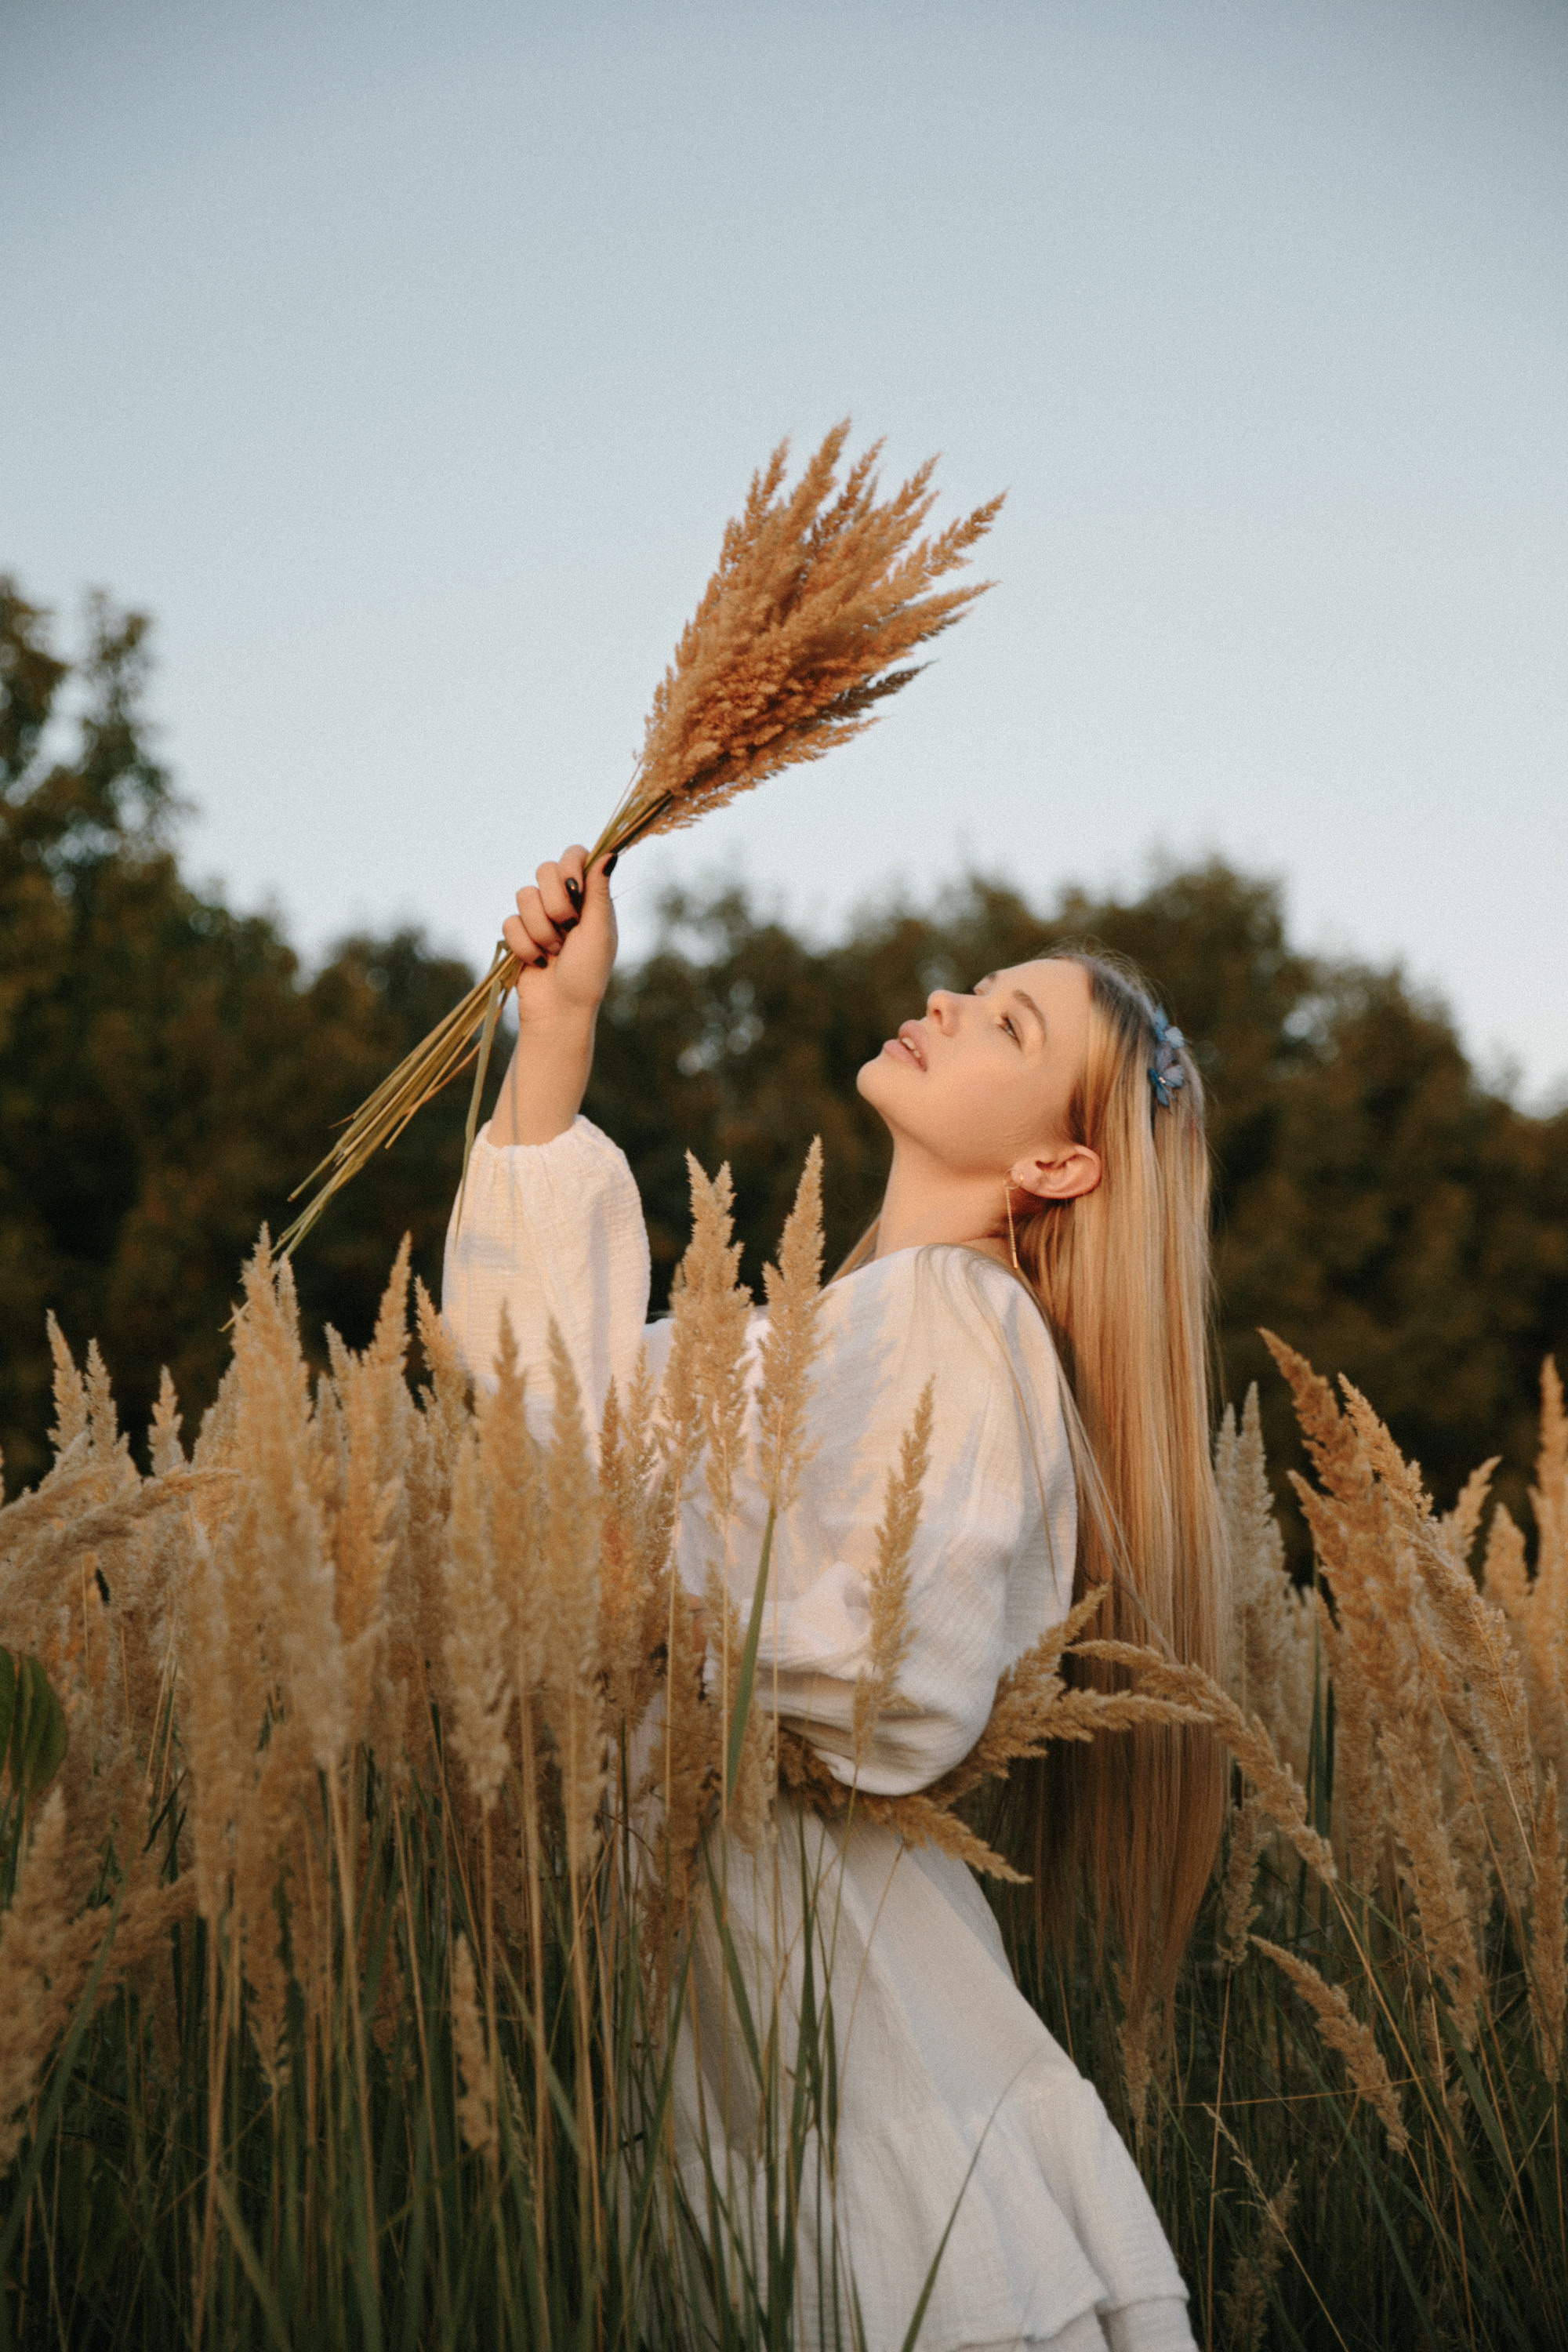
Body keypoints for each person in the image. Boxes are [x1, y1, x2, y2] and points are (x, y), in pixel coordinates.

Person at [441, 844, 1226, 2352]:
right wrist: (559, 1030)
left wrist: (644, 1610)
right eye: (979, 990)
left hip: (850, 2029)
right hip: (740, 2017)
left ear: (1058, 1168)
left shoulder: (968, 1321)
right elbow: (564, 1400)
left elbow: (893, 1680)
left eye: (1007, 1025)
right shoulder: (825, 1327)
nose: (946, 999)